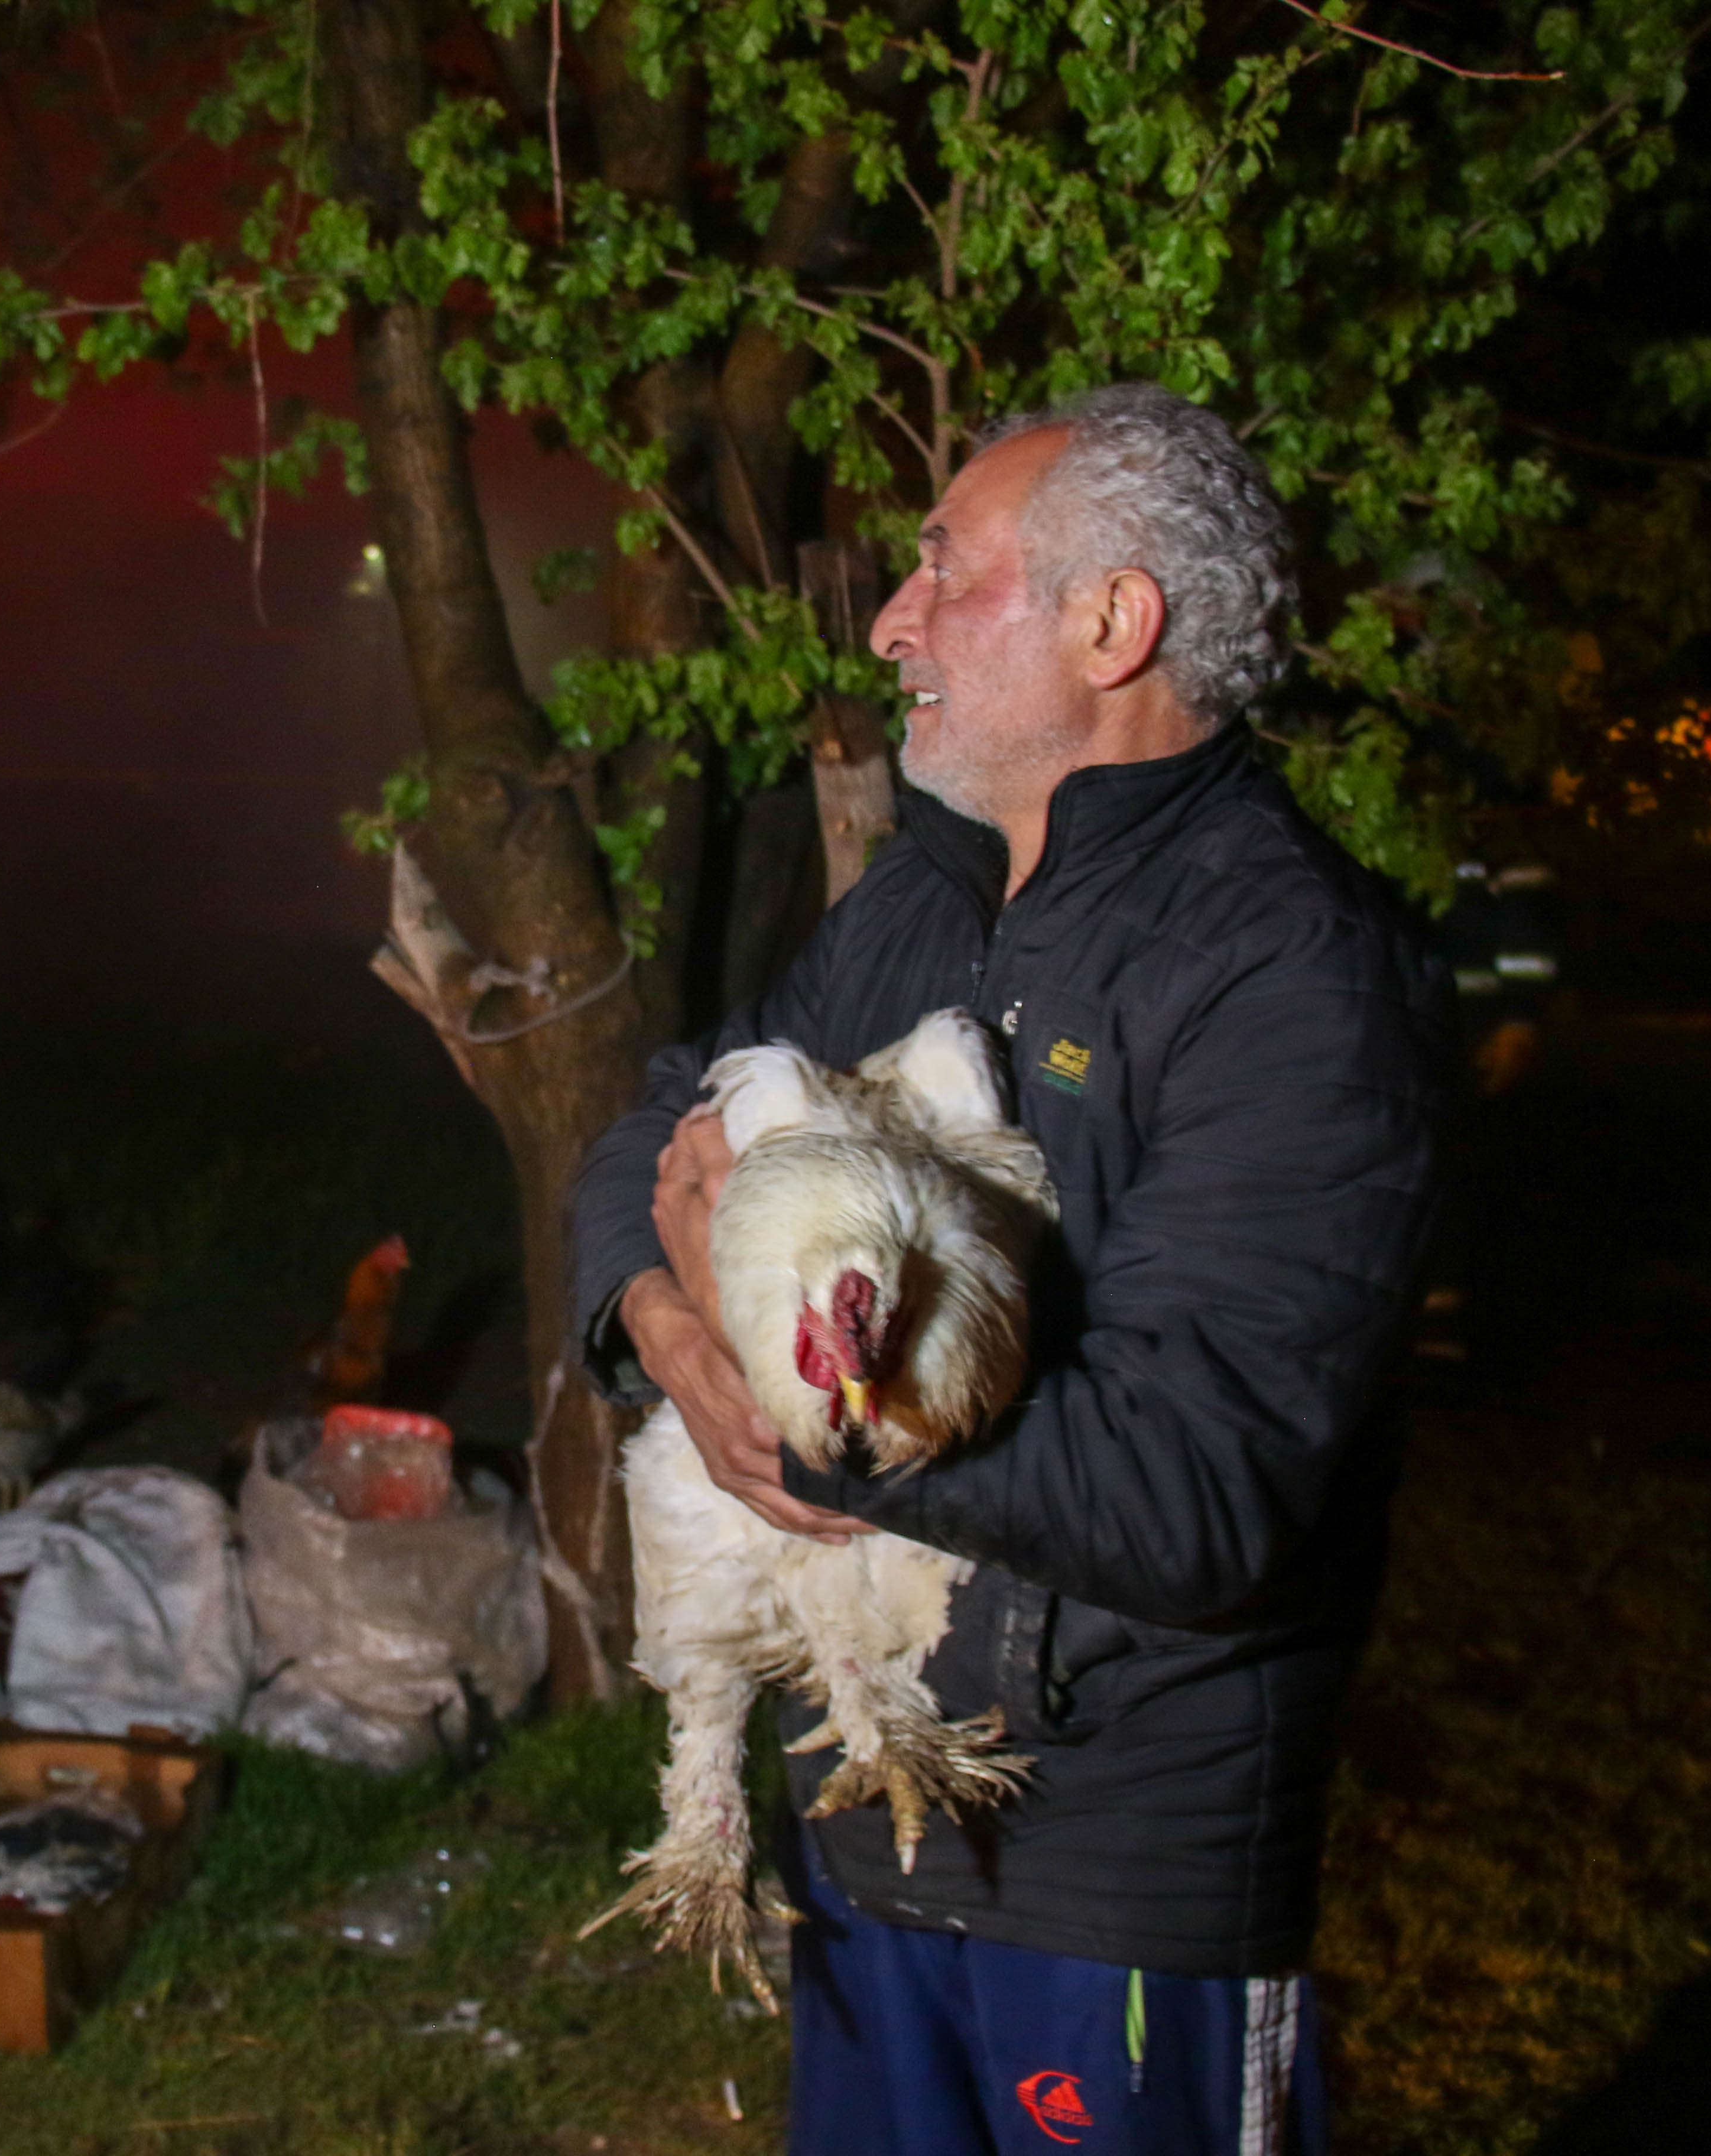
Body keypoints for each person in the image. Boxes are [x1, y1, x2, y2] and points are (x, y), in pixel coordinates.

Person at [569, 384, 1447, 2155]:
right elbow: (656, 1122)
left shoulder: (1295, 976)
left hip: (1121, 1873)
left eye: (940, 570)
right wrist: (669, 1324)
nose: (890, 622)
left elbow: (1193, 1493)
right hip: (874, 1806)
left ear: (1113, 623)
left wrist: (818, 1420)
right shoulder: (927, 902)